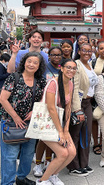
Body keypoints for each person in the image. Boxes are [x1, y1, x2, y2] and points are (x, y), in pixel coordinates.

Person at [0, 52, 47, 185]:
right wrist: (16, 117)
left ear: (39, 66)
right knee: (10, 156)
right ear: (24, 62)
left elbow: (45, 99)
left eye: (35, 62)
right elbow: (3, 99)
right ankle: (7, 182)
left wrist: (34, 111)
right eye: (29, 61)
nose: (31, 64)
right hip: (11, 121)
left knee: (27, 154)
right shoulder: (14, 77)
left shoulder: (41, 81)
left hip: (31, 123)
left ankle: (21, 178)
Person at [37, 59, 77, 185]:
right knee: (63, 153)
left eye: (74, 68)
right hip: (47, 123)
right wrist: (60, 131)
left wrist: (66, 130)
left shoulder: (70, 84)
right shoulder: (53, 83)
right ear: (62, 68)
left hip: (61, 123)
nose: (71, 70)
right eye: (68, 67)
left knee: (72, 153)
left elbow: (68, 107)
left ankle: (53, 175)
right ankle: (42, 180)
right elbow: (51, 108)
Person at [67, 43, 98, 176]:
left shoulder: (90, 64)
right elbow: (75, 88)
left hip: (88, 103)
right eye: (84, 50)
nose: (87, 53)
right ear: (79, 51)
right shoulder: (77, 65)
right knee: (75, 134)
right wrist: (77, 109)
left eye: (89, 51)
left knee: (86, 133)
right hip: (79, 104)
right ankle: (73, 165)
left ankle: (84, 163)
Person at [33, 47, 63, 177]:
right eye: (53, 55)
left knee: (53, 137)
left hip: (59, 107)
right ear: (48, 56)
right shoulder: (43, 68)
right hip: (44, 106)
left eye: (58, 55)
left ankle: (48, 162)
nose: (56, 57)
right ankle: (38, 164)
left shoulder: (63, 69)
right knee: (43, 138)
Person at [91, 41, 104, 156]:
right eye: (101, 48)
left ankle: (103, 142)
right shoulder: (93, 62)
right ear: (97, 50)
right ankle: (96, 143)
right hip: (95, 93)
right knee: (94, 118)